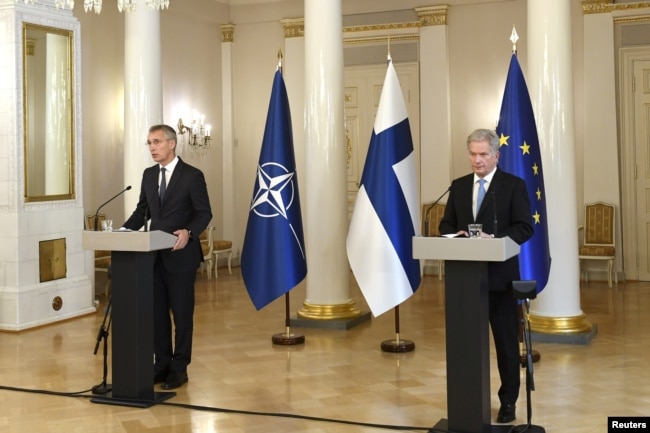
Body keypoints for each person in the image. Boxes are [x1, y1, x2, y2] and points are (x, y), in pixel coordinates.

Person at [439, 128, 533, 424]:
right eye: (472, 154)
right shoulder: (458, 185)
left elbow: (524, 227)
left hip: (500, 279)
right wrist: (457, 234)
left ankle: (508, 402)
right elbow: (445, 225)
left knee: (505, 345)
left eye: (482, 154)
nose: (476, 160)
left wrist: (496, 239)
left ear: (496, 155)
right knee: (466, 344)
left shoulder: (513, 186)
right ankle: (468, 398)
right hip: (465, 283)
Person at [122, 124, 212, 390]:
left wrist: (189, 232)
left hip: (181, 256)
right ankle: (161, 364)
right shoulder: (149, 175)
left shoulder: (192, 176)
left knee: (182, 316)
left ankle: (179, 368)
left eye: (157, 142)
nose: (152, 148)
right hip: (153, 257)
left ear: (172, 144)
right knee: (157, 315)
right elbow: (142, 212)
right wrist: (123, 232)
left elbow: (204, 213)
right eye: (149, 143)